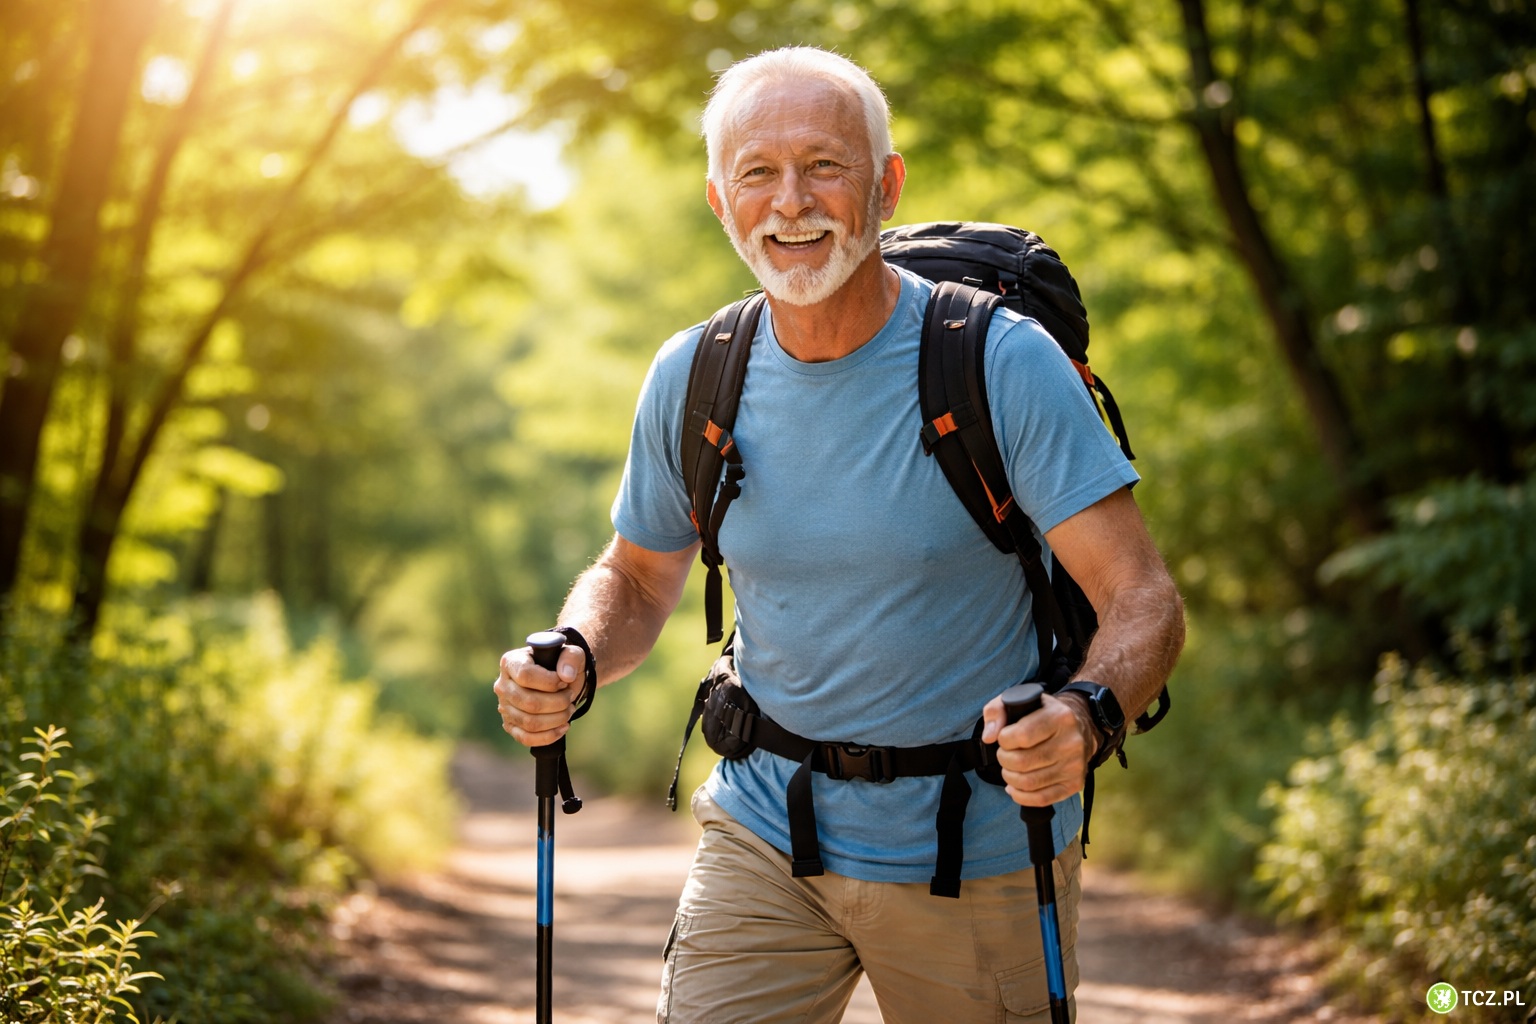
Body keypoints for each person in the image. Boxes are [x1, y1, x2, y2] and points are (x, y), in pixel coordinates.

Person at [495, 46, 1185, 1024]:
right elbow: (638, 579)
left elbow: (1142, 598)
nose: (791, 202)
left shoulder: (999, 362)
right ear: (719, 201)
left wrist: (1086, 716)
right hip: (765, 836)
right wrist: (575, 653)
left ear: (886, 185)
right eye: (757, 172)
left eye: (825, 164)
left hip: (978, 847)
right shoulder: (695, 375)